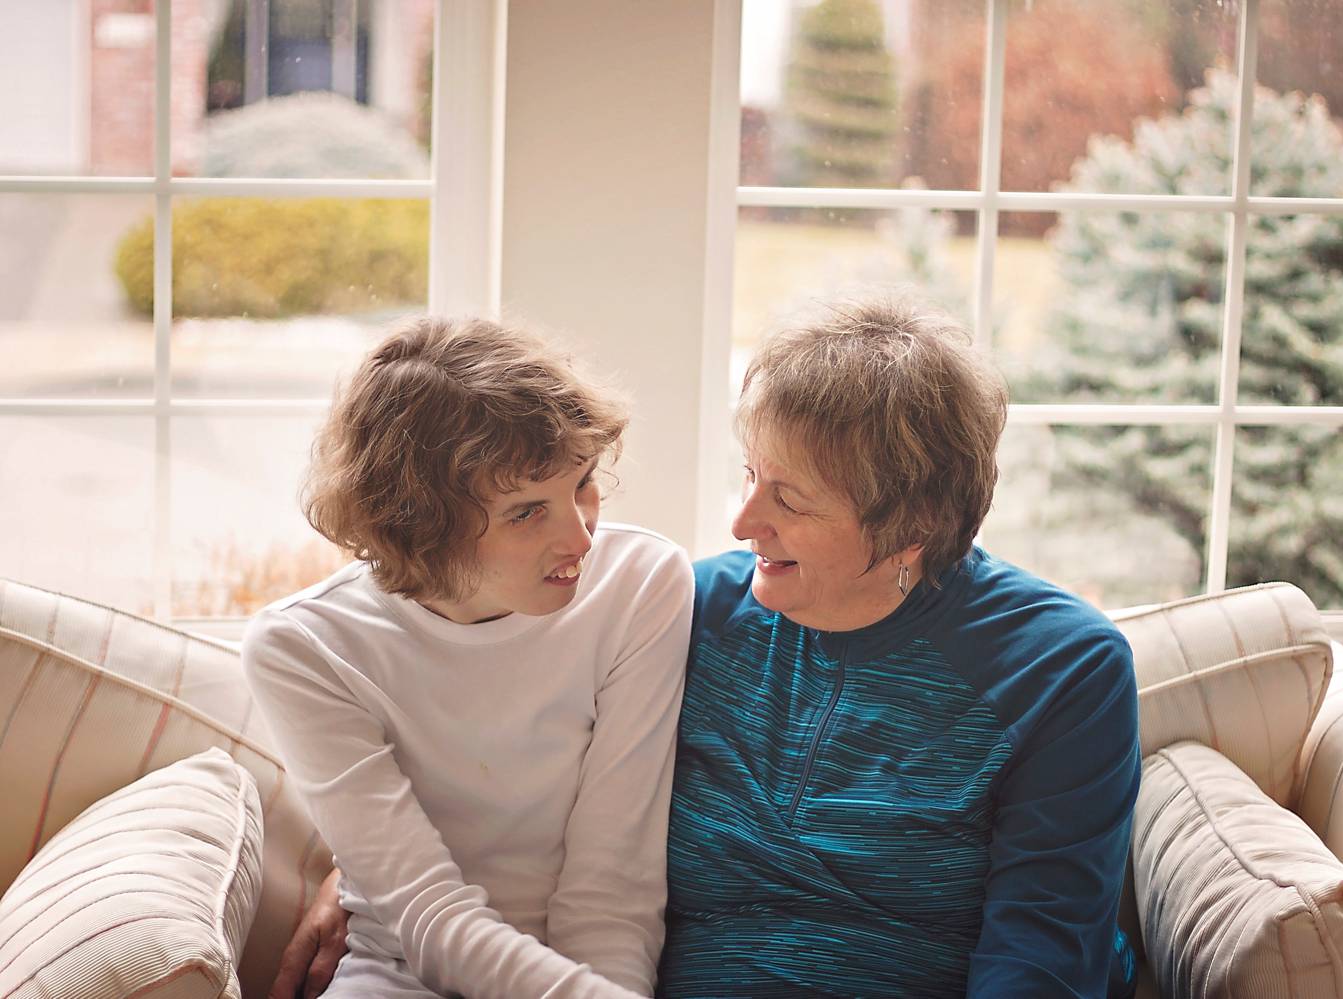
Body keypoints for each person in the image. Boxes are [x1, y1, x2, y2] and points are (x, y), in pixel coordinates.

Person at [277, 294, 1141, 998]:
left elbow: (1041, 959)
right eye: (748, 472)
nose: (741, 521)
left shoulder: (1061, 669)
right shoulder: (689, 607)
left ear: (910, 526)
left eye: (790, 499)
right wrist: (356, 874)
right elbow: (514, 777)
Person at [242, 316, 693, 999]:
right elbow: (426, 913)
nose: (581, 535)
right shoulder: (305, 648)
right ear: (421, 526)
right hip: (399, 971)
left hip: (593, 969)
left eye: (583, 483)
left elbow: (611, 890)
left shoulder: (642, 583)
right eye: (525, 512)